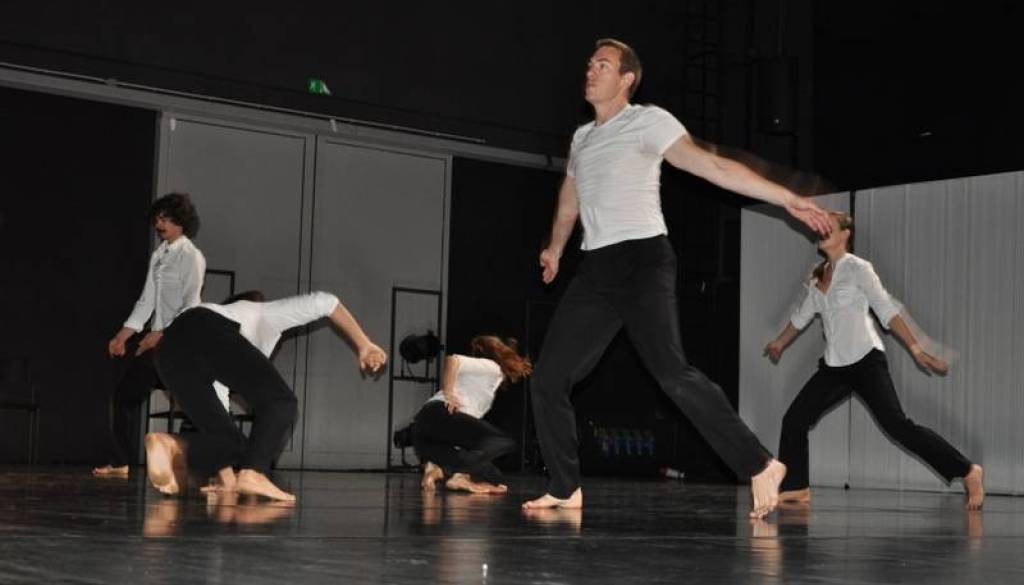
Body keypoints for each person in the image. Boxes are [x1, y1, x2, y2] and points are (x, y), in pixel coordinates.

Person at [523, 38, 833, 518]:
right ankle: (565, 487)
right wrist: (555, 249)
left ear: (627, 79)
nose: (591, 71)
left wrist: (785, 198)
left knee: (672, 374)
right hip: (596, 268)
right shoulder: (582, 139)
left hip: (643, 260)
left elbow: (712, 165)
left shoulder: (648, 121)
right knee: (547, 378)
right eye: (589, 64)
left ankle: (759, 464)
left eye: (602, 65)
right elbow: (570, 200)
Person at [764, 211, 985, 510]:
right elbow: (801, 317)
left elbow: (886, 310)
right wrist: (779, 342)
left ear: (846, 234)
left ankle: (968, 471)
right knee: (794, 420)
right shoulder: (817, 276)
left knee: (898, 426)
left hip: (866, 362)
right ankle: (796, 487)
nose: (821, 231)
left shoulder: (859, 268)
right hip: (834, 367)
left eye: (829, 226)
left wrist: (916, 349)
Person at [145, 290, 387, 501]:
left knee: (232, 442)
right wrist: (364, 345)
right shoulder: (261, 314)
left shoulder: (225, 343)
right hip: (202, 328)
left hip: (167, 351)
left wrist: (228, 482)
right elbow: (326, 302)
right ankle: (254, 473)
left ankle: (173, 446)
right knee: (281, 402)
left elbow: (220, 418)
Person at [94, 193, 205, 478]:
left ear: (181, 221)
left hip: (179, 343)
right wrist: (123, 335)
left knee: (197, 406)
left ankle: (217, 462)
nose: (159, 224)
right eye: (157, 219)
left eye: (165, 219)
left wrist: (162, 334)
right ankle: (120, 462)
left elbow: (191, 306)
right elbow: (146, 301)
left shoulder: (191, 256)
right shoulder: (159, 255)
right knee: (124, 397)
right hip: (157, 343)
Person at [416, 335, 532, 494]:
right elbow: (453, 360)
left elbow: (461, 438)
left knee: (494, 476)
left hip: (425, 430)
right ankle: (450, 473)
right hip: (439, 414)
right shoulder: (491, 367)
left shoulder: (483, 382)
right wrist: (449, 392)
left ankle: (438, 468)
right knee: (504, 441)